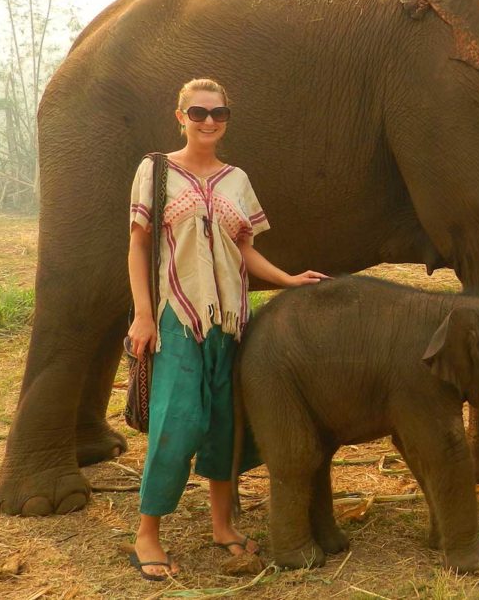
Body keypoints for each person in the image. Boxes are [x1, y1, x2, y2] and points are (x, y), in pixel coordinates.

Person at [126, 77, 327, 580]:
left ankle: (223, 525)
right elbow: (138, 245)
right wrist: (144, 314)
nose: (209, 121)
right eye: (198, 113)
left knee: (224, 423)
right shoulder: (155, 171)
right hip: (178, 315)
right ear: (180, 116)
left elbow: (245, 248)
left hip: (233, 320)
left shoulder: (236, 179)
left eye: (218, 114)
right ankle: (146, 535)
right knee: (177, 422)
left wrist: (287, 279)